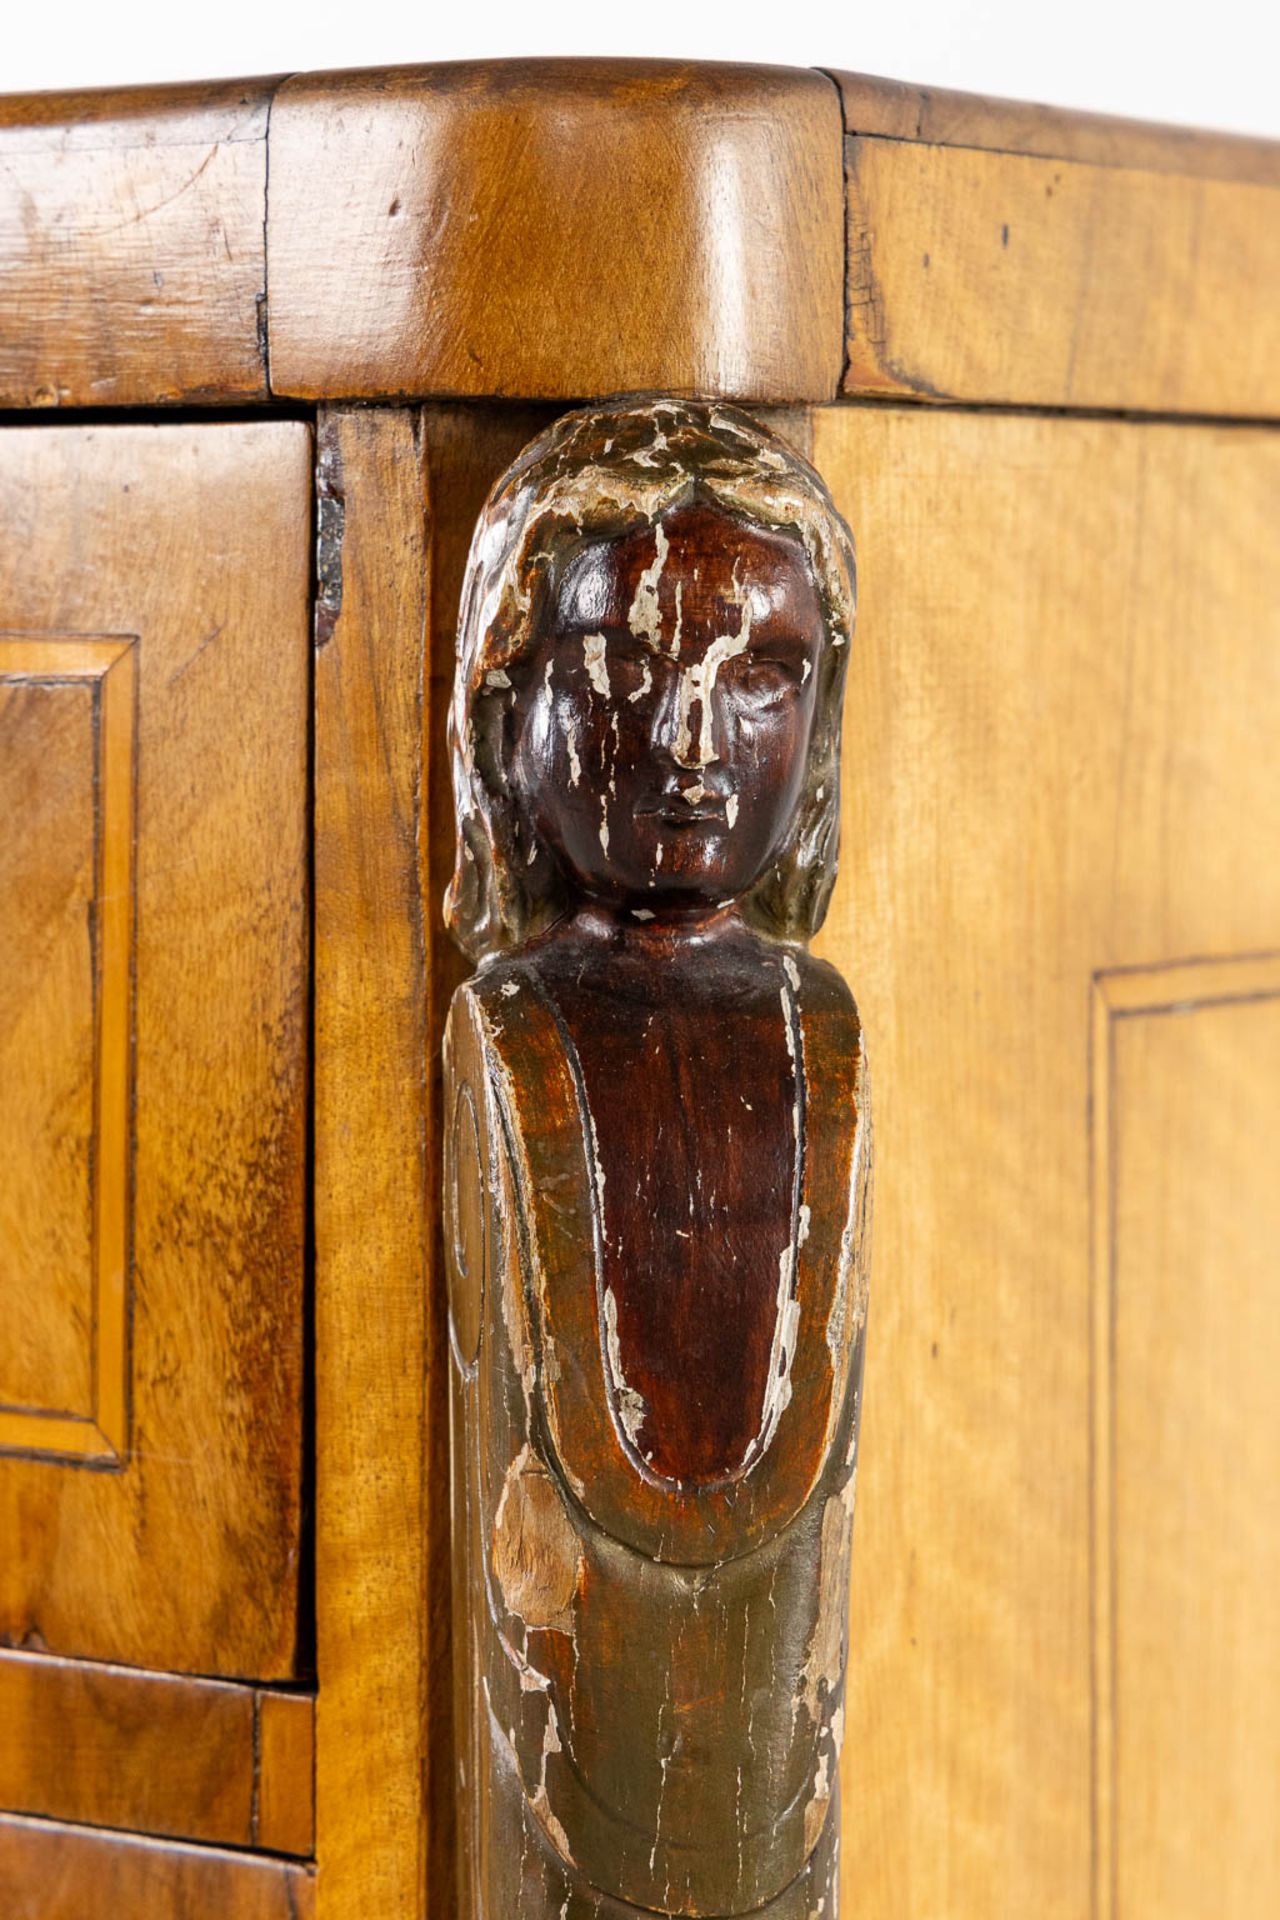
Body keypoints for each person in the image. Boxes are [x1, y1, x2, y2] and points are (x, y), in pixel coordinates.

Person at [444, 398, 871, 1919]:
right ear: (507, 704)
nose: (692, 744)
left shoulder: (815, 1024)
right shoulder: (511, 1030)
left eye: (759, 676)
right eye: (622, 665)